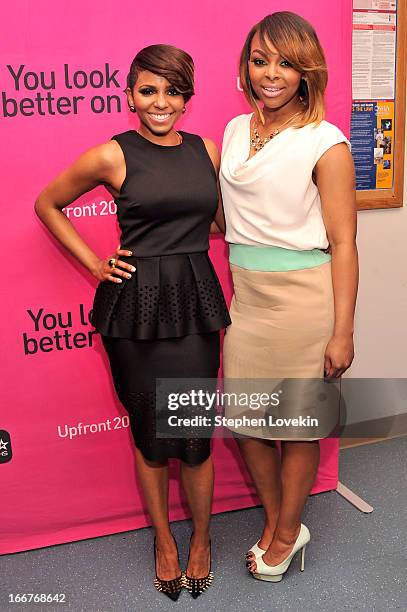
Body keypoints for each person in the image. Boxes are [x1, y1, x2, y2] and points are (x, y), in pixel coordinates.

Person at [34, 44, 230, 600]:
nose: (160, 102)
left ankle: (202, 540)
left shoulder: (207, 152)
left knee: (194, 434)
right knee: (150, 438)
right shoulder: (111, 156)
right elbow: (47, 203)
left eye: (172, 91)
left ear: (187, 99)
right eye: (149, 90)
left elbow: (218, 221)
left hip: (193, 302)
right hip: (136, 307)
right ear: (130, 96)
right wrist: (95, 264)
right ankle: (165, 540)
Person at [219, 12, 358, 582]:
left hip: (304, 302)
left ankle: (282, 532)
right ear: (246, 67)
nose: (270, 73)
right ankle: (285, 520)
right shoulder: (232, 130)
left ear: (307, 72)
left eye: (286, 62)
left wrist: (342, 331)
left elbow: (345, 243)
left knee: (296, 427)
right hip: (248, 298)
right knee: (249, 423)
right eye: (260, 60)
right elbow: (229, 215)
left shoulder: (326, 142)